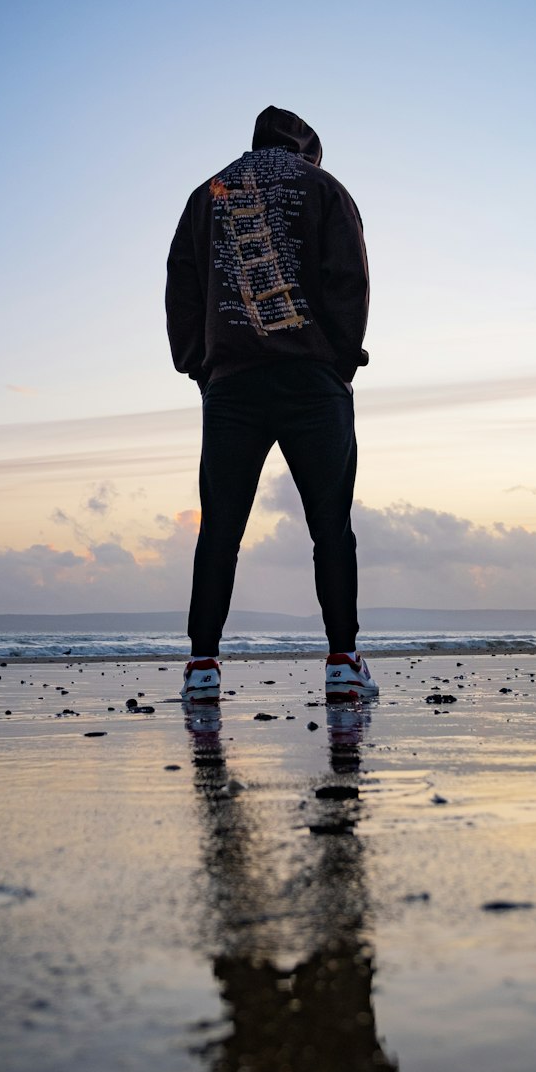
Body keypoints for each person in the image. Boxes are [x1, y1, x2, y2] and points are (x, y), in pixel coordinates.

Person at [166, 105, 378, 704]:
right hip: (312, 380)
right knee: (330, 526)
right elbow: (350, 280)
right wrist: (340, 362)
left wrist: (197, 365)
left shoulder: (209, 192)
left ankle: (202, 666)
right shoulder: (326, 188)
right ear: (309, 149)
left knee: (221, 530)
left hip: (233, 382)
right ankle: (343, 659)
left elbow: (180, 283)